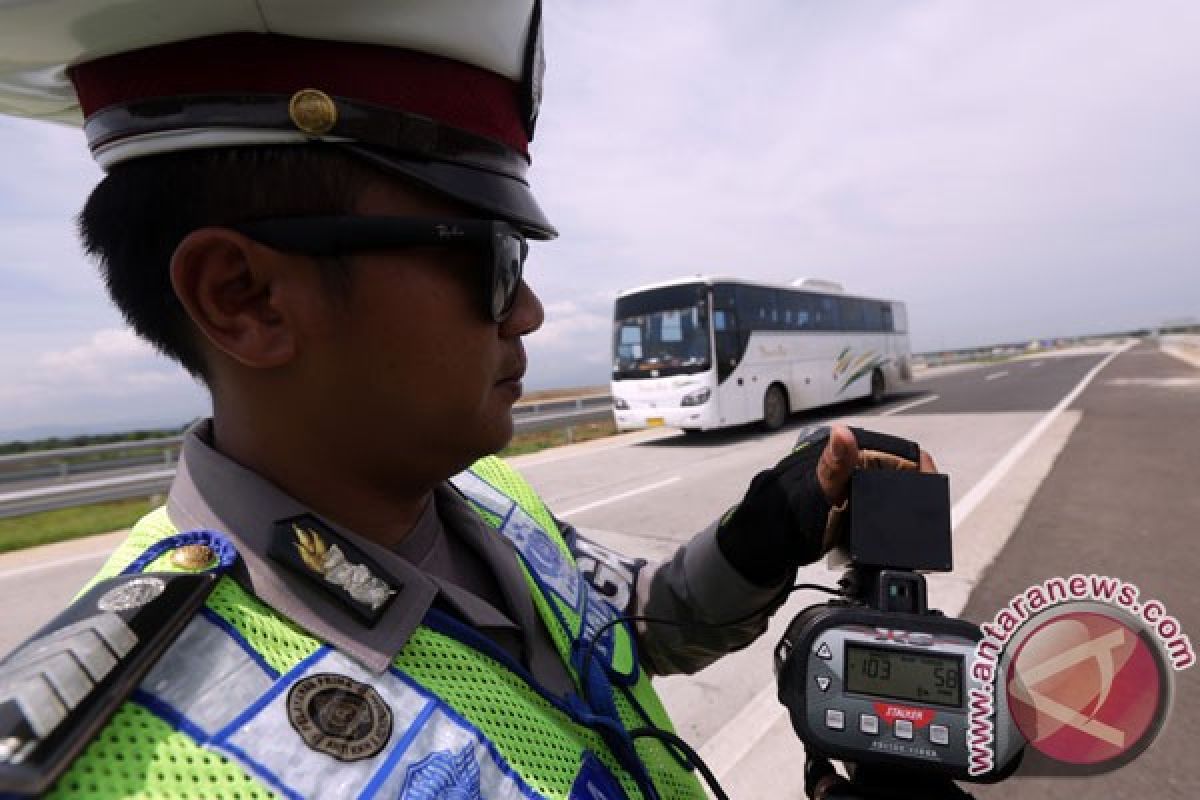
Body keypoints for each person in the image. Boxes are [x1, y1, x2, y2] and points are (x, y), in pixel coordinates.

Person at [0, 2, 936, 798]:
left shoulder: (487, 497)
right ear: (244, 298)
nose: (527, 309)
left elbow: (627, 630)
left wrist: (768, 529)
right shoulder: (127, 757)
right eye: (490, 260)